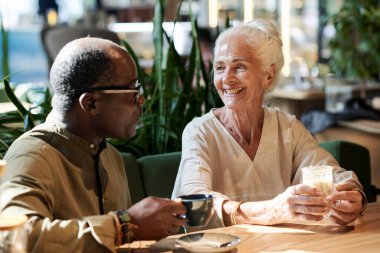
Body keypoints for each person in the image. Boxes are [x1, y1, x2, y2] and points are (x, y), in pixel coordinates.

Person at [172, 19, 366, 228]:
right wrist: (272, 210)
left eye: (239, 67)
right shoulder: (199, 132)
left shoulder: (288, 128)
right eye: (219, 67)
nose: (226, 79)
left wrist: (352, 196)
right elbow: (196, 203)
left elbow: (328, 171)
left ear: (269, 74)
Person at [1, 37, 186, 253]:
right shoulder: (33, 155)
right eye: (133, 94)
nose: (141, 102)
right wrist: (122, 226)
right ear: (91, 103)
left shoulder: (111, 156)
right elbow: (13, 239)